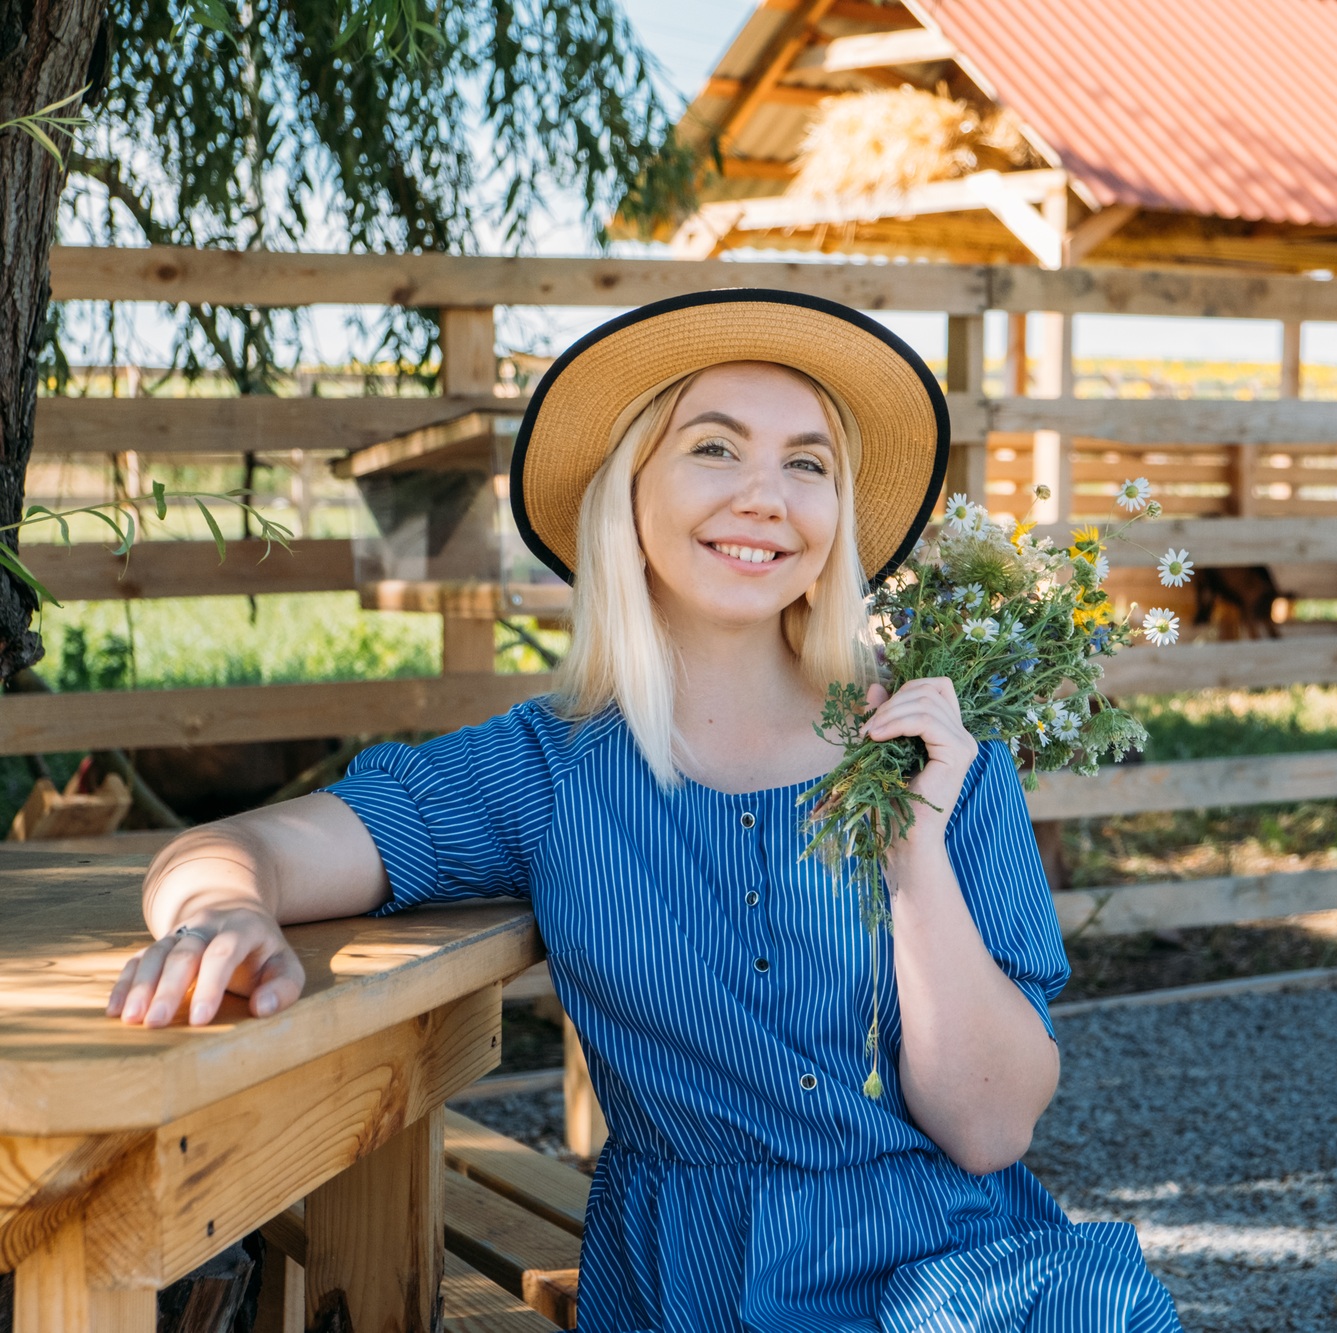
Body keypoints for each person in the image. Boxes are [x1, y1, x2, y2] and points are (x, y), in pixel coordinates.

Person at [105, 291, 1183, 1332]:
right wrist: (218, 913)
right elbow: (243, 846)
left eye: (807, 463)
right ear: (629, 489)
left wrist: (913, 854)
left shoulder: (936, 752)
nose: (765, 495)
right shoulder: (549, 769)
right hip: (692, 1281)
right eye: (714, 447)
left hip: (954, 1274)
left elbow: (991, 1127)